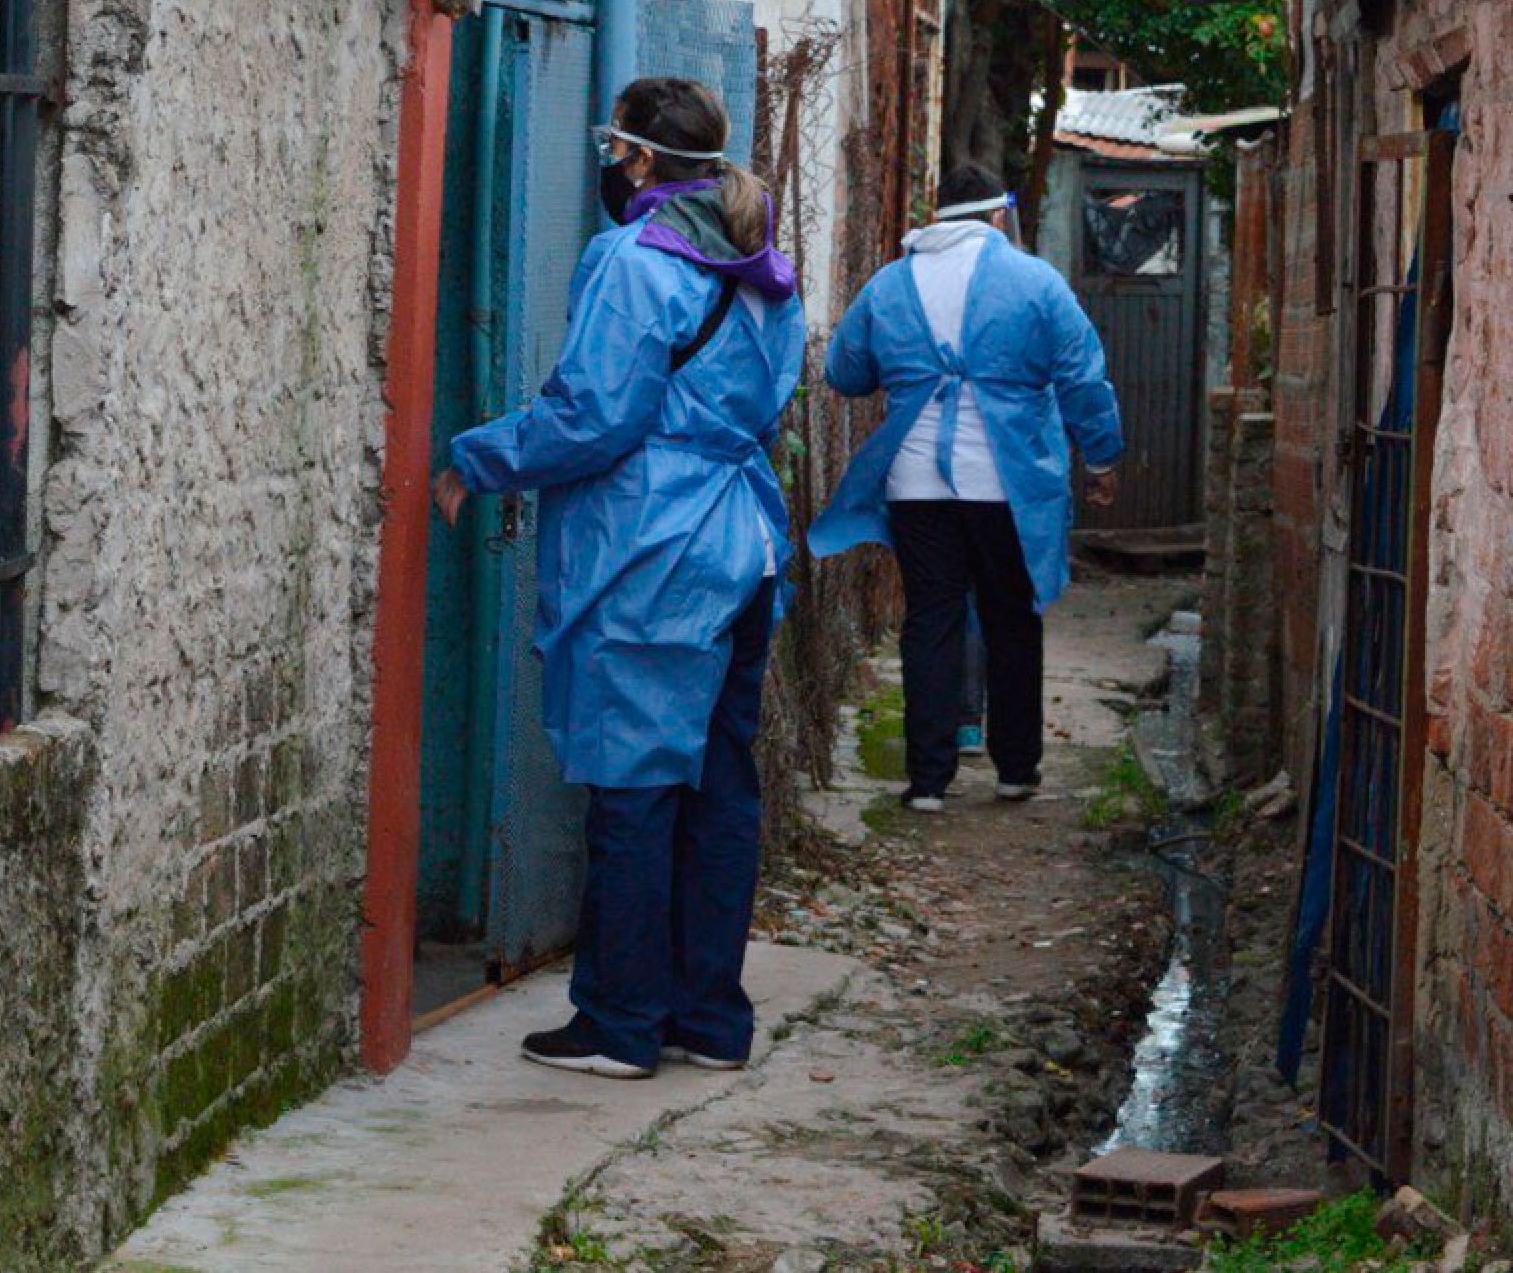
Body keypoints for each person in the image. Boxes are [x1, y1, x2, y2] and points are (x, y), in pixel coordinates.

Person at [432, 77, 805, 1080]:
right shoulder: (765, 267)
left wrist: (475, 458)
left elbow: (595, 416)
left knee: (635, 784)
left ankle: (620, 1024)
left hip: (654, 552)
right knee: (720, 783)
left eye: (616, 149)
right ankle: (708, 1021)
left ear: (635, 158)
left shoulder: (633, 260)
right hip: (743, 542)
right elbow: (766, 407)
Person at [807, 163, 1123, 813]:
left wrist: (911, 372)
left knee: (931, 618)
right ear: (998, 215)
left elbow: (845, 371)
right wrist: (1101, 457)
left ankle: (927, 780)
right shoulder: (1036, 282)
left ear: (937, 213)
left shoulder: (889, 285)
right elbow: (1083, 375)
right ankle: (1016, 768)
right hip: (1009, 486)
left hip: (916, 481)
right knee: (1012, 616)